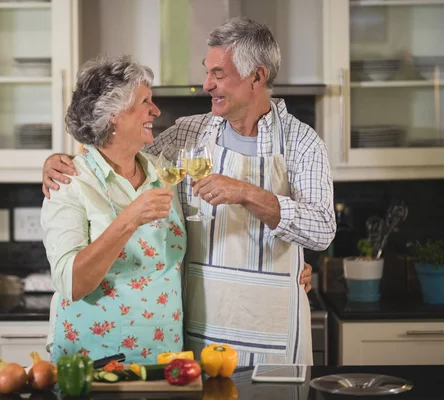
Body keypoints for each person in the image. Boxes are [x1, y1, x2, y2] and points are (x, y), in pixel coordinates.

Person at [43, 18, 333, 366]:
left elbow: (321, 230)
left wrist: (246, 194)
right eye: (206, 71)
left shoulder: (303, 143)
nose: (206, 84)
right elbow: (113, 151)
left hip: (270, 328)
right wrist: (57, 161)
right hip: (197, 329)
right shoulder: (187, 135)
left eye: (218, 74)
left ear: (257, 76)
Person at [40, 55, 187, 364]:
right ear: (113, 116)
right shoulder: (70, 182)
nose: (156, 110)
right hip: (92, 360)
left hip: (165, 359)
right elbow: (72, 283)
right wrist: (130, 217)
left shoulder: (166, 172)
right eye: (145, 100)